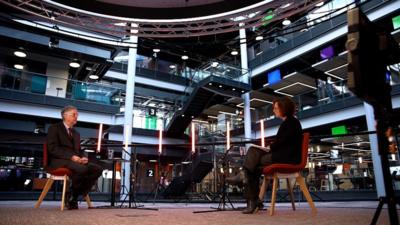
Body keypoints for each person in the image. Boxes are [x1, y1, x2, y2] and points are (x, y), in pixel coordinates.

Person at [226, 96, 303, 214]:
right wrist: (270, 147)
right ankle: (252, 197)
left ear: (284, 109)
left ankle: (250, 194)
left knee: (252, 157)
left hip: (286, 158)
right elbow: (282, 142)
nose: (274, 110)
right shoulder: (290, 122)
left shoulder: (291, 123)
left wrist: (270, 147)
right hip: (283, 155)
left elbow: (282, 143)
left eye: (276, 108)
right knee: (254, 166)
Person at [47, 105, 102, 210]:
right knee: (82, 169)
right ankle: (73, 197)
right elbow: (52, 149)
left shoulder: (76, 133)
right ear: (65, 115)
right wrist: (71, 157)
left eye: (77, 115)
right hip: (59, 160)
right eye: (74, 114)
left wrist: (83, 157)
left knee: (97, 169)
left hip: (75, 161)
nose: (76, 117)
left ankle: (74, 195)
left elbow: (79, 150)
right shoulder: (54, 128)